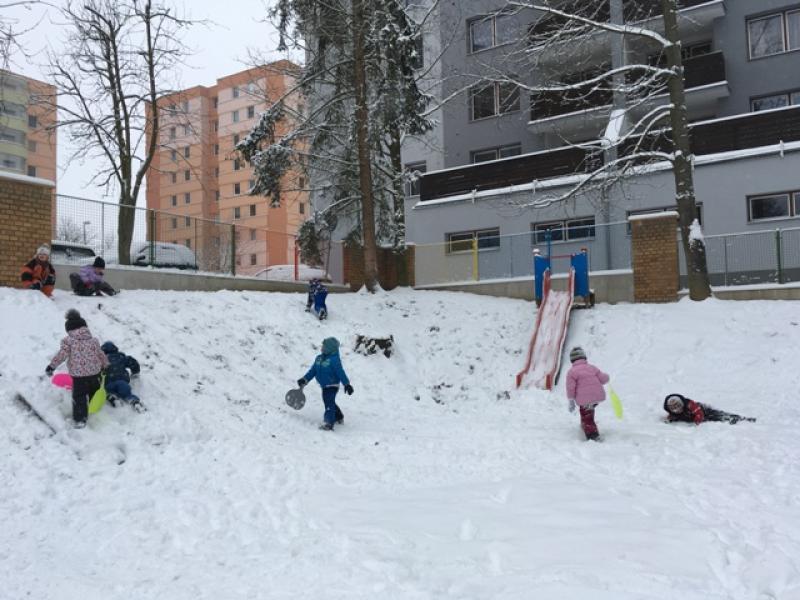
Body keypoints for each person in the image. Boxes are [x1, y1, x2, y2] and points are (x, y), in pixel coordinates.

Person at [46, 309, 108, 428]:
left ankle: (80, 419)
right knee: (93, 391)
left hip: (79, 376)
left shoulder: (68, 341)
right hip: (95, 373)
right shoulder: (93, 340)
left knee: (79, 396)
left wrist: (51, 366)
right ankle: (92, 408)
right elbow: (101, 354)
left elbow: (61, 355)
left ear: (69, 329)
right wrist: (105, 365)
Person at [297, 337, 353, 430]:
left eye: (324, 346)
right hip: (324, 385)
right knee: (329, 401)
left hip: (332, 384)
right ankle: (338, 416)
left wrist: (347, 384)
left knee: (328, 401)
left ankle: (329, 423)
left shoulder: (334, 360)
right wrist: (305, 379)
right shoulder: (318, 358)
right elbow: (313, 371)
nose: (322, 347)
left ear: (330, 348)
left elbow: (340, 372)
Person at [566, 346, 610, 441]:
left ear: (572, 360)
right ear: (584, 357)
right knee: (587, 412)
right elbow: (603, 379)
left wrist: (571, 400)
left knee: (587, 417)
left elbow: (570, 388)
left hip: (585, 399)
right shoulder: (591, 367)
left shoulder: (572, 372)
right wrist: (607, 377)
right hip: (597, 395)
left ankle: (593, 436)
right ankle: (584, 426)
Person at [101, 341, 144, 412]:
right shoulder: (121, 357)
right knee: (127, 393)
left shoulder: (102, 360)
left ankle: (112, 397)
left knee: (108, 391)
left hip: (109, 382)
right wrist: (135, 372)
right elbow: (132, 362)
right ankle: (133, 401)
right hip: (122, 381)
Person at [663, 393, 756, 425]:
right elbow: (671, 417)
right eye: (674, 408)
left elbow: (698, 412)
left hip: (703, 410)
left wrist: (698, 418)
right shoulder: (673, 413)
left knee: (716, 415)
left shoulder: (689, 404)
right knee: (712, 419)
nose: (677, 410)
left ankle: (740, 419)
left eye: (679, 406)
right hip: (693, 416)